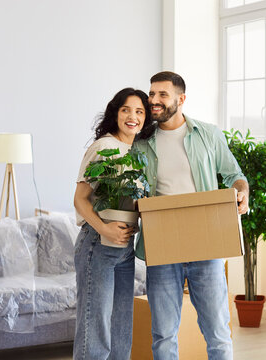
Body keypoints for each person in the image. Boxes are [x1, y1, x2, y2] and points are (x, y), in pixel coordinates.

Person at [133, 71, 249, 360]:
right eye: (152, 94)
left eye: (162, 94)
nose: (154, 101)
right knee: (163, 335)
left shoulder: (208, 134)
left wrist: (242, 191)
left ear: (181, 99)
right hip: (162, 247)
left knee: (218, 333)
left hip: (206, 246)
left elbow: (235, 175)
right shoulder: (141, 142)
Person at [73, 87, 154, 360]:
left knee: (121, 327)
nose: (133, 117)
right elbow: (80, 200)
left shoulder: (139, 152)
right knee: (95, 327)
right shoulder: (104, 147)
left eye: (140, 111)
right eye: (126, 110)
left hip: (125, 247)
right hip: (99, 244)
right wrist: (105, 228)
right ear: (115, 113)